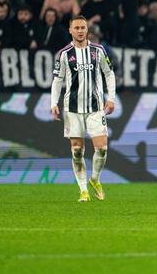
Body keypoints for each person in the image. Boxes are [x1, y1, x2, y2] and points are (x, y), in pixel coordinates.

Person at [50, 15, 116, 203]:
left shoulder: (98, 50)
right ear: (70, 30)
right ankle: (83, 190)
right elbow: (57, 80)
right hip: (72, 109)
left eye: (83, 27)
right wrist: (53, 103)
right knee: (77, 151)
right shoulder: (64, 54)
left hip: (95, 108)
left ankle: (95, 179)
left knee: (102, 149)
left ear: (87, 30)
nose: (80, 31)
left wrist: (111, 98)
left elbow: (109, 74)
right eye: (76, 28)